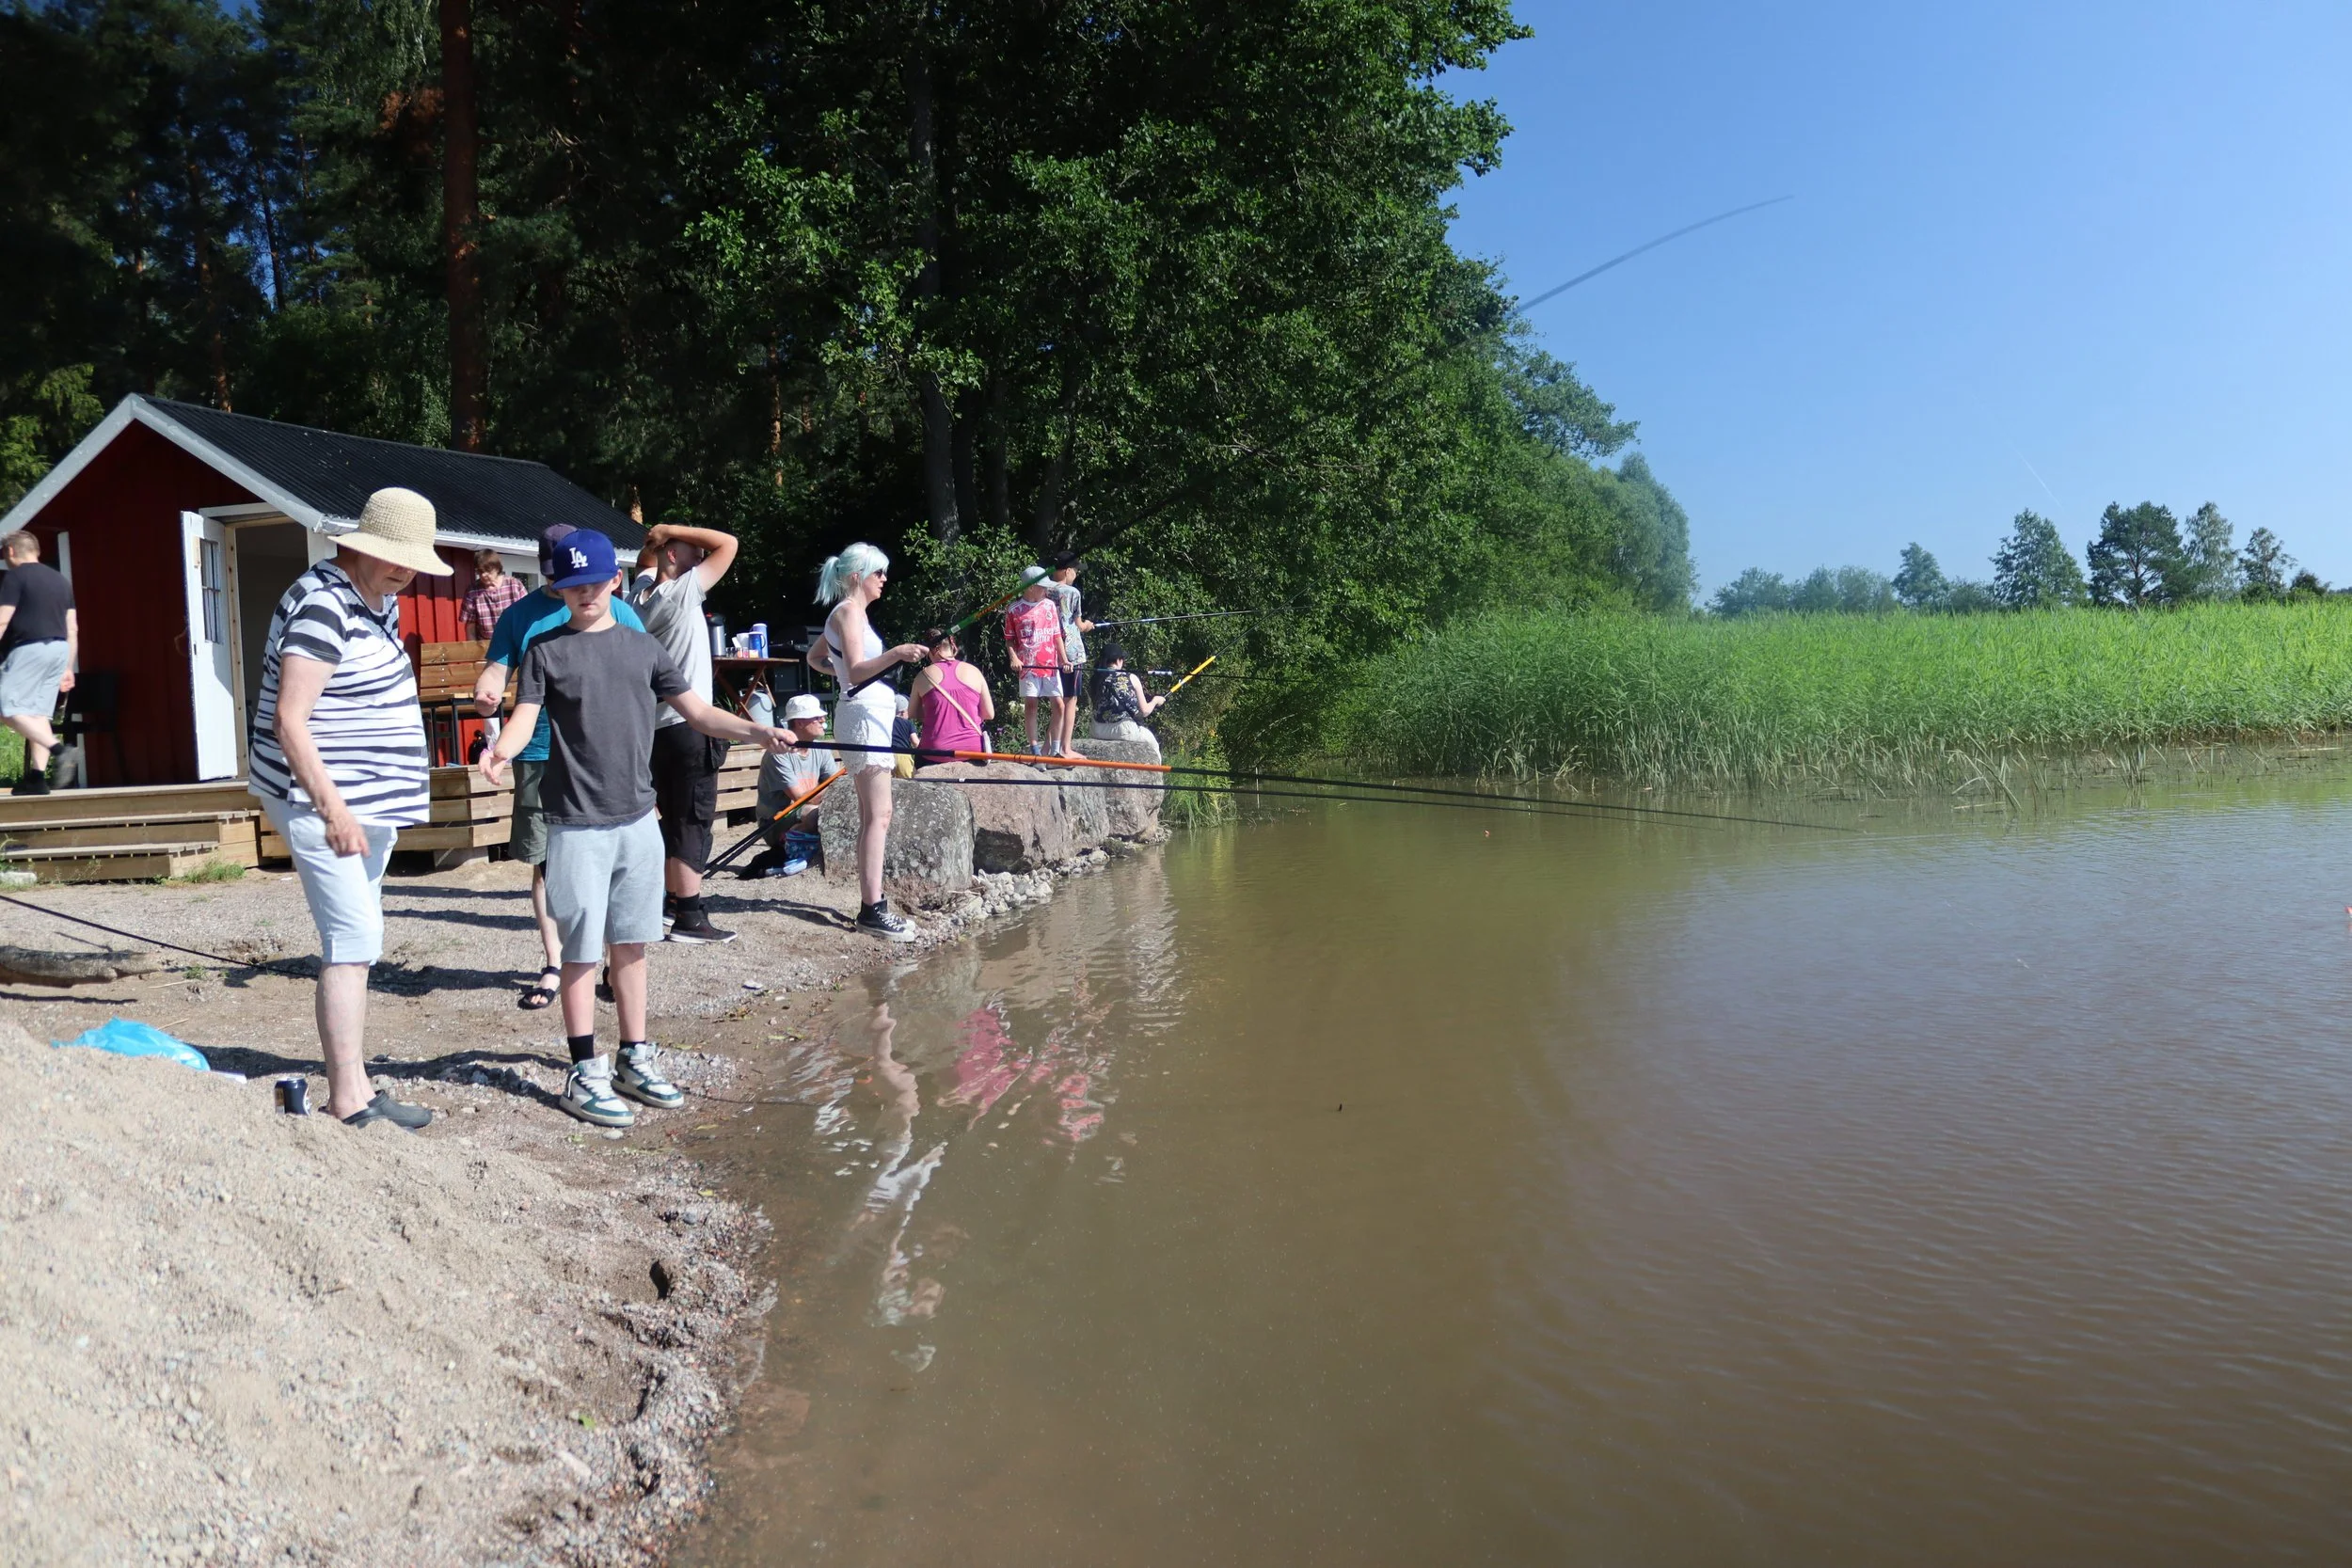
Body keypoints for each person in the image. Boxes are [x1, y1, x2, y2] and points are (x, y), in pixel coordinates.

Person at [481, 529, 792, 1128]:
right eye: (571, 586)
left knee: (632, 943)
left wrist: (758, 731)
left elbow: (696, 711)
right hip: (575, 824)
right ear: (558, 589)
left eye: (594, 583)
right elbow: (522, 719)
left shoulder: (643, 647)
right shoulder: (544, 650)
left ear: (615, 581)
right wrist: (499, 751)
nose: (584, 594)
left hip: (637, 823)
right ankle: (583, 1069)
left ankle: (634, 1056)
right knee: (577, 952)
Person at [246, 487, 447, 1130]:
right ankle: (346, 1096)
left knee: (361, 935)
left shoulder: (374, 598)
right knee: (353, 938)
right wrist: (334, 810)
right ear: (358, 543)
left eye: (413, 559)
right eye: (395, 556)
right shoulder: (322, 603)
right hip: (322, 799)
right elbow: (290, 721)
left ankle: (356, 1081)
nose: (406, 568)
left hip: (366, 800)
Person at [472, 526, 650, 1009]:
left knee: (614, 862)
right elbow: (496, 668)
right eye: (556, 577)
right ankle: (555, 962)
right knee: (547, 861)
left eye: (574, 575)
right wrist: (486, 691)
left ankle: (616, 963)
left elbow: (645, 672)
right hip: (537, 752)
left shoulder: (617, 608)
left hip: (606, 755)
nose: (568, 586)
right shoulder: (519, 615)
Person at [625, 521, 739, 944]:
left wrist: (653, 545)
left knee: (668, 817)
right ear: (673, 556)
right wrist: (669, 528)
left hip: (653, 728)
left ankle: (669, 903)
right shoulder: (681, 591)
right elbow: (729, 543)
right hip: (690, 725)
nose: (698, 557)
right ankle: (689, 915)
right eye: (690, 550)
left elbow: (643, 563)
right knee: (692, 819)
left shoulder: (636, 598)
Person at [816, 543, 927, 940]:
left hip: (866, 716)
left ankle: (872, 905)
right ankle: (872, 910)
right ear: (857, 576)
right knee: (879, 815)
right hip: (863, 717)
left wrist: (841, 670)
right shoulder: (847, 612)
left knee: (873, 816)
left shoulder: (850, 614)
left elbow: (818, 657)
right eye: (879, 572)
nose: (884, 579)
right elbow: (860, 670)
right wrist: (896, 653)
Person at [0, 531, 75, 795]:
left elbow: (2, 619)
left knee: (6, 707)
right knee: (37, 714)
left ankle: (59, 750)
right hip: (59, 649)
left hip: (30, 648)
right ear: (37, 550)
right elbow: (72, 627)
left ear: (10, 551)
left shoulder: (16, 576)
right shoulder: (60, 581)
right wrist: (68, 665)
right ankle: (37, 779)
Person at [750, 693, 834, 877]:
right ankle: (789, 844)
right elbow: (800, 798)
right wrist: (834, 785)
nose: (823, 719)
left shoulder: (822, 749)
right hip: (776, 821)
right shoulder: (777, 754)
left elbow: (834, 783)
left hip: (807, 809)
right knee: (814, 816)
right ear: (800, 722)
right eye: (816, 716)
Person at [1003, 564, 1066, 756]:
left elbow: (1057, 636)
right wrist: (1014, 658)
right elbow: (1009, 639)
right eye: (1042, 586)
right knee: (1031, 705)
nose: (1046, 590)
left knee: (1059, 705)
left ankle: (1055, 749)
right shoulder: (1014, 609)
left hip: (1050, 665)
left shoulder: (1049, 605)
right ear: (1030, 587)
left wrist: (1064, 660)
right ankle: (1035, 749)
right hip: (1028, 666)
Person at [908, 625, 993, 764]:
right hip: (973, 750)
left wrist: (935, 711)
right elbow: (989, 714)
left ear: (934, 650)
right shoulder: (974, 672)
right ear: (951, 646)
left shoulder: (922, 676)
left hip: (935, 752)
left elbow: (912, 713)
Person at [1046, 553, 1094, 758]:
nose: (1076, 574)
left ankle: (1047, 749)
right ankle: (1065, 748)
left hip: (1048, 652)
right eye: (1075, 570)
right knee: (1070, 700)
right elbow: (1077, 623)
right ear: (1067, 571)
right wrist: (1087, 626)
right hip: (1071, 652)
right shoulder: (1072, 592)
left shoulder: (1043, 590)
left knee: (1055, 703)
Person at [1089, 644, 1166, 760]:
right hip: (1123, 730)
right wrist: (1155, 700)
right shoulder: (1131, 677)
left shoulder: (1096, 678)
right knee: (1153, 742)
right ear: (1119, 661)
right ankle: (1158, 774)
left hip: (1097, 730)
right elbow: (1144, 711)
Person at [459, 548, 526, 641]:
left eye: (488, 570)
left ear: (497, 568)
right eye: (480, 571)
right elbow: (470, 627)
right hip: (486, 646)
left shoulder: (514, 585)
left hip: (514, 642)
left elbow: (527, 615)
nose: (483, 575)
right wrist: (473, 651)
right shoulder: (472, 591)